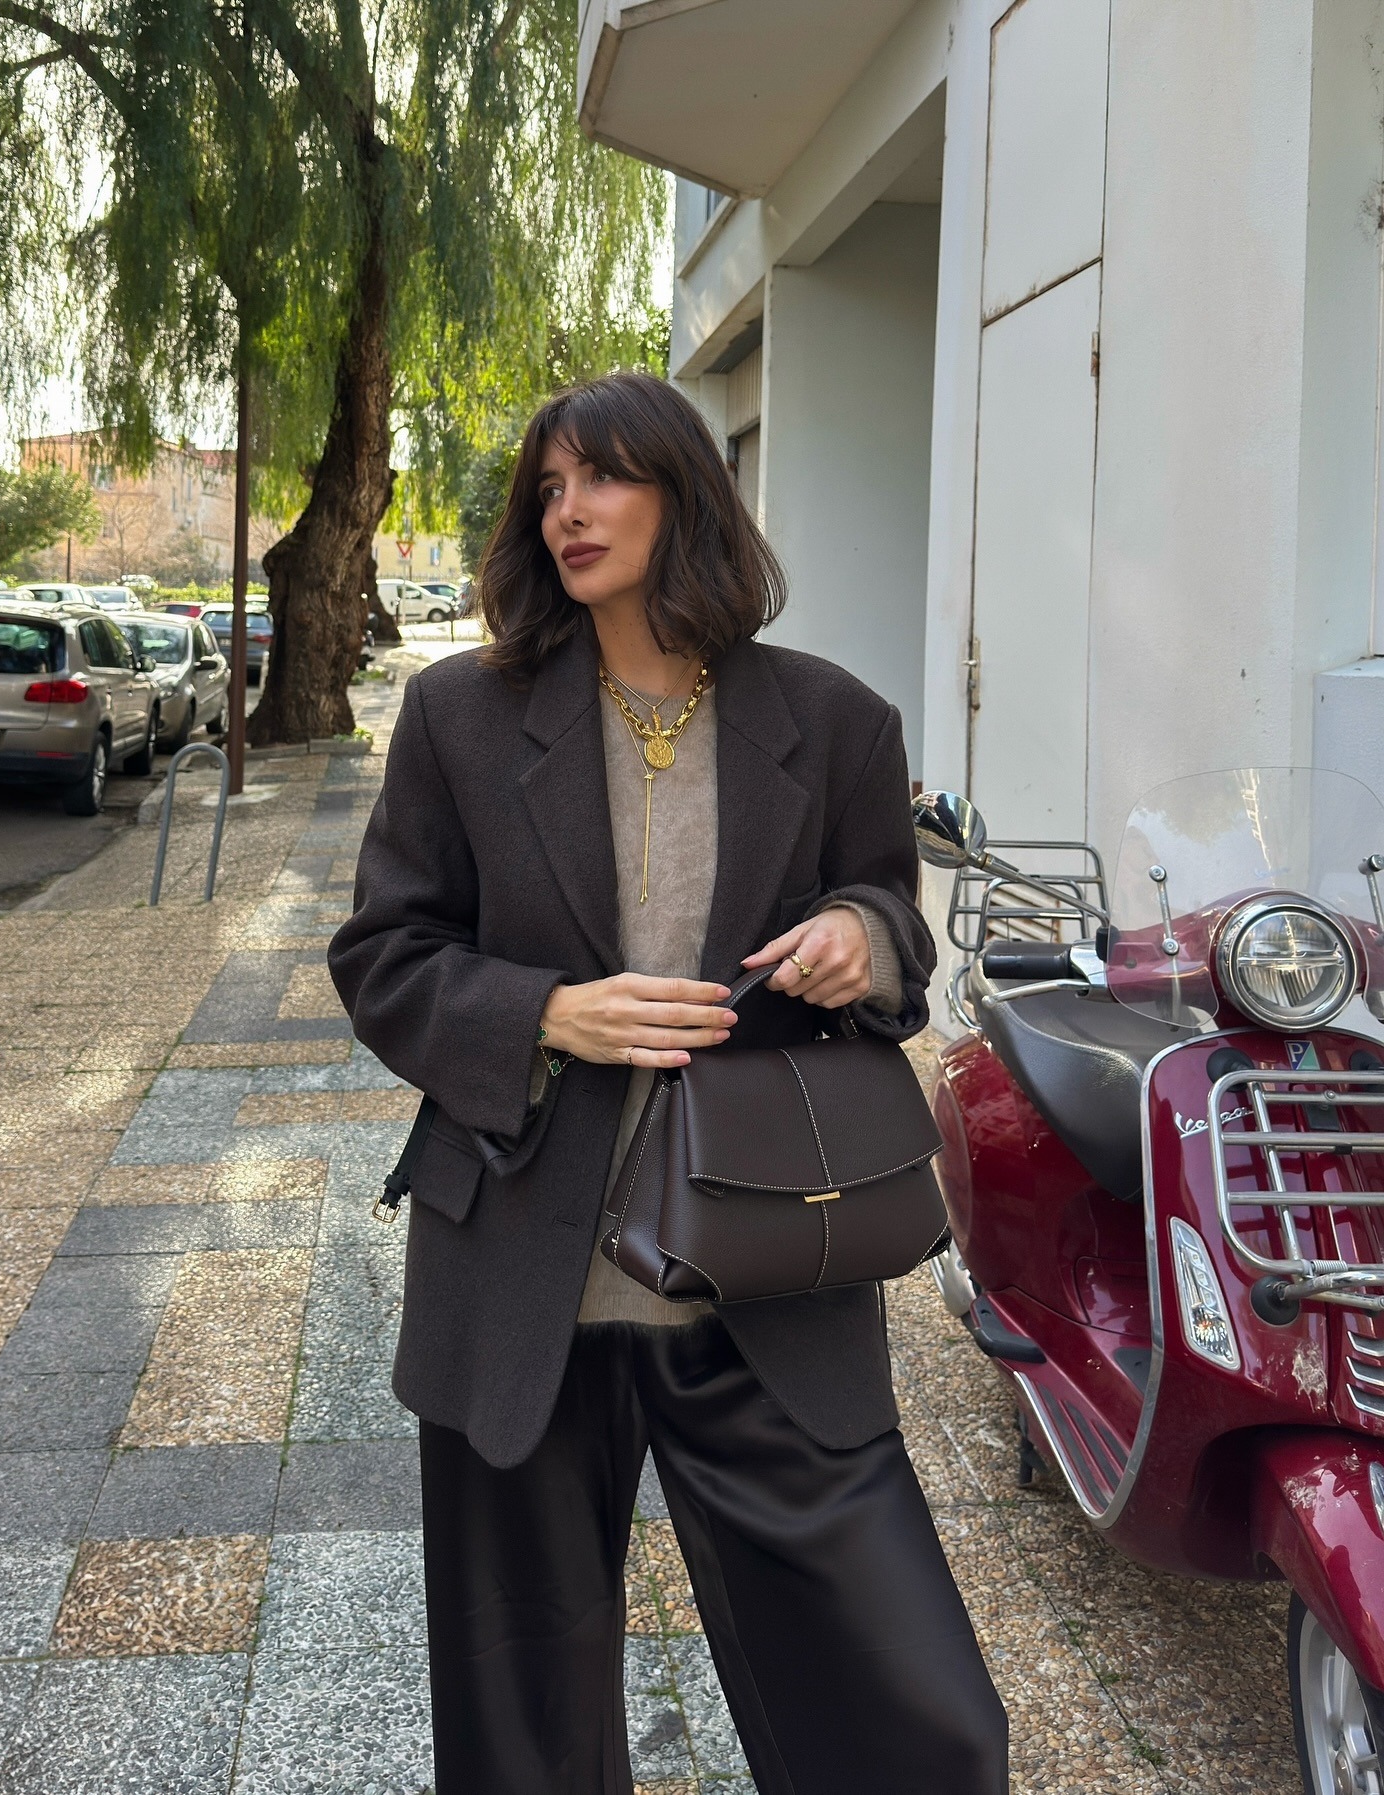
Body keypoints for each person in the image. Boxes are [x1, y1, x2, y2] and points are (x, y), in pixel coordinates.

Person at [329, 371, 1008, 1795]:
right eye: (549, 488)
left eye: (604, 477)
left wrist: (860, 936)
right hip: (525, 1280)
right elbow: (384, 956)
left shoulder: (834, 720)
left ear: (684, 492)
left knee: (919, 1724)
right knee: (523, 1745)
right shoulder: (459, 716)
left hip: (766, 1278)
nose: (567, 512)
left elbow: (898, 928)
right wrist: (546, 1015)